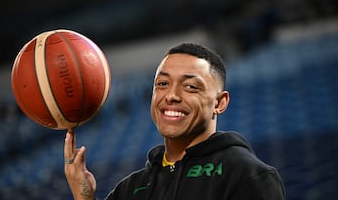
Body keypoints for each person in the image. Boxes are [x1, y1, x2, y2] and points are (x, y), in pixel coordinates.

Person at [64, 43, 286, 200]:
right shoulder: (131, 188)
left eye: (190, 86)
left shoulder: (247, 175)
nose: (171, 95)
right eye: (162, 84)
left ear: (219, 103)